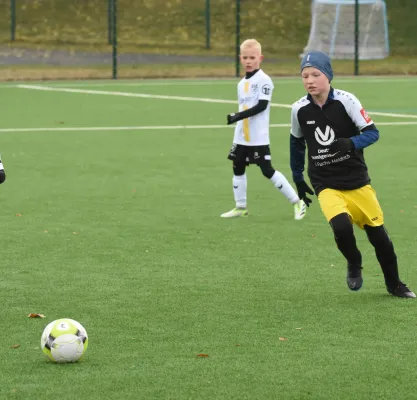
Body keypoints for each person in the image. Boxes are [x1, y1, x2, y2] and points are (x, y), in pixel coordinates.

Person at [290, 50, 415, 298]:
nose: (310, 80)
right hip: (325, 182)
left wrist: (350, 143)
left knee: (380, 239)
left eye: (316, 74)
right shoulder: (299, 109)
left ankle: (395, 284)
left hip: (356, 180)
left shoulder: (347, 101)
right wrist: (297, 177)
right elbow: (296, 143)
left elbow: (372, 133)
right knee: (341, 227)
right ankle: (354, 261)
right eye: (305, 76)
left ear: (328, 76)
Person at [222, 39, 306, 220]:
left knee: (267, 170)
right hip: (241, 136)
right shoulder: (241, 83)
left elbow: (261, 106)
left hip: (258, 137)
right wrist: (239, 121)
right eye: (245, 57)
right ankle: (240, 207)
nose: (248, 61)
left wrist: (237, 116)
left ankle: (297, 201)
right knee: (237, 167)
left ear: (260, 58)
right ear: (240, 58)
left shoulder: (264, 80)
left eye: (252, 57)